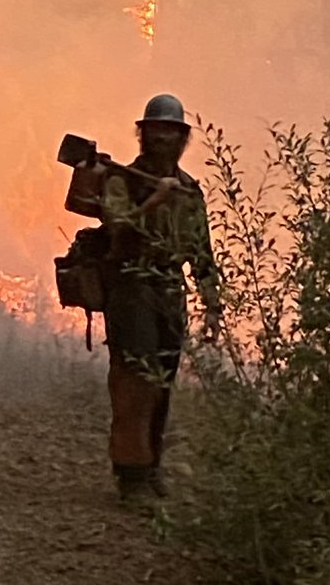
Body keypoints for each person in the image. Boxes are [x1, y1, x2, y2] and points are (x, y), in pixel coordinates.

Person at [65, 93, 221, 502]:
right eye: (154, 129)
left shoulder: (190, 191)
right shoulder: (123, 180)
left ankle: (150, 467)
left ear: (183, 137)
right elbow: (118, 228)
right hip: (131, 285)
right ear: (142, 133)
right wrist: (155, 200)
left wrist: (213, 304)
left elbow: (200, 251)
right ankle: (131, 475)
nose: (161, 137)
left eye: (170, 130)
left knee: (162, 380)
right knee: (134, 379)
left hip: (169, 289)